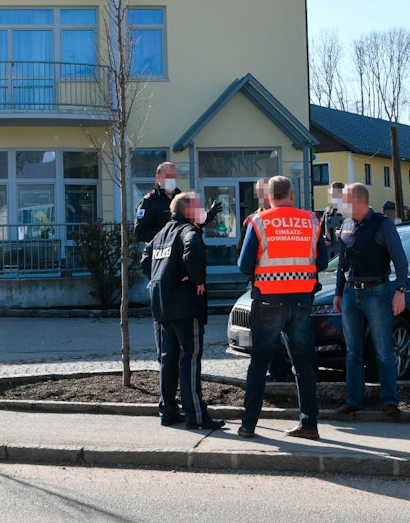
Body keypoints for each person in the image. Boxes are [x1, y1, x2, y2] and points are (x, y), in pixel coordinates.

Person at [236, 175, 327, 439]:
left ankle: (248, 425)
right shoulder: (311, 220)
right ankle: (309, 424)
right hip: (300, 300)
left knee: (259, 363)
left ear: (268, 197)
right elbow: (321, 262)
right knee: (303, 364)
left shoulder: (259, 221)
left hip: (268, 300)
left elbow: (243, 266)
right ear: (292, 194)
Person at [140, 192, 225, 430]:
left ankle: (168, 411)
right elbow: (194, 249)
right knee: (190, 359)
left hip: (162, 305)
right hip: (186, 304)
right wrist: (196, 279)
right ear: (188, 210)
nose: (201, 212)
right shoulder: (189, 231)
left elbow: (145, 262)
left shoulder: (160, 234)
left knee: (169, 358)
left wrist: (163, 278)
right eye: (198, 207)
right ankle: (196, 415)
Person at [333, 183, 408, 419]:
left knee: (383, 350)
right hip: (349, 295)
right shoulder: (346, 225)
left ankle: (390, 401)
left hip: (377, 292)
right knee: (353, 352)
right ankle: (353, 399)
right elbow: (342, 262)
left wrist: (401, 291)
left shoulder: (382, 224)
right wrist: (338, 292)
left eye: (345, 200)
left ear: (358, 201)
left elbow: (401, 260)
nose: (341, 205)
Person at [238, 178, 292, 382]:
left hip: (290, 286)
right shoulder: (252, 221)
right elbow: (243, 254)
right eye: (260, 192)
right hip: (264, 287)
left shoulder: (287, 218)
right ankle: (278, 373)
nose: (264, 195)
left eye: (266, 191)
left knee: (291, 334)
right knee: (268, 336)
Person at [134, 161, 222, 243]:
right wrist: (169, 232)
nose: (171, 180)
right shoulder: (150, 201)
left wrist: (210, 214)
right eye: (168, 176)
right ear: (158, 178)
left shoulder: (181, 198)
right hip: (160, 252)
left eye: (173, 176)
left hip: (181, 251)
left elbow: (194, 224)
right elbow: (140, 233)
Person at [320, 182, 348, 258]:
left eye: (335, 194)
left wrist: (343, 233)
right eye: (332, 194)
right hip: (330, 253)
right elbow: (320, 229)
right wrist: (324, 239)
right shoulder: (328, 211)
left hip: (345, 251)